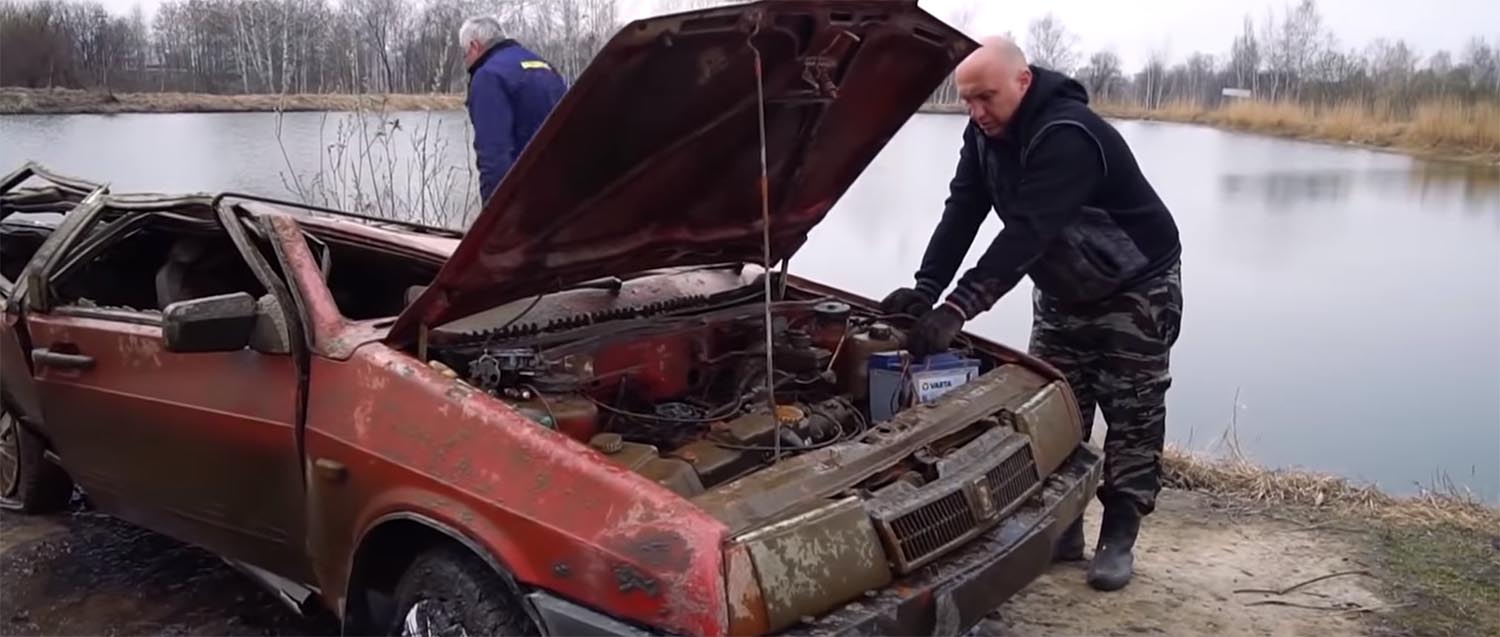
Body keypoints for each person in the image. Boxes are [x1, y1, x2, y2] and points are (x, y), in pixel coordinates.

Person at [881, 37, 1183, 592]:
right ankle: (1063, 529)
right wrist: (926, 290)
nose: (975, 111)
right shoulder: (983, 136)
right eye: (967, 99)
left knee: (1134, 411)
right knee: (1056, 408)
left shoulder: (1069, 135)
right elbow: (963, 212)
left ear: (1023, 82)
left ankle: (1118, 535)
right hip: (1064, 289)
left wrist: (958, 309)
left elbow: (1028, 232)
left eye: (986, 98)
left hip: (1136, 287)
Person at [459, 16, 567, 201]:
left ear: (474, 46)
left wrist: (493, 218)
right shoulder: (544, 66)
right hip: (563, 194)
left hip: (527, 203)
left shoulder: (488, 76)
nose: (465, 60)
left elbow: (494, 157)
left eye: (465, 53)